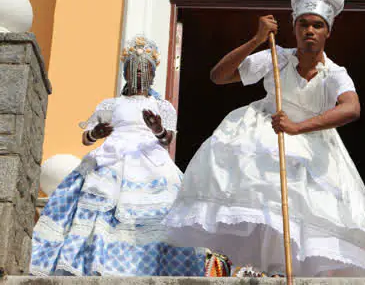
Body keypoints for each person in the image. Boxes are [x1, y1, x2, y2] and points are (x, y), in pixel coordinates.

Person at [163, 0, 365, 277]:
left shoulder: (335, 72)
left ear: (327, 32)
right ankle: (260, 270)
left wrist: (298, 127)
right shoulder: (275, 56)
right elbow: (219, 76)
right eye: (304, 24)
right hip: (262, 135)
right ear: (295, 28)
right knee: (263, 206)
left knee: (307, 218)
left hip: (312, 145)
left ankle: (287, 274)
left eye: (317, 25)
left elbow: (351, 108)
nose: (310, 30)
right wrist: (256, 39)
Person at [30, 36, 230, 276]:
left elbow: (167, 140)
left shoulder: (162, 106)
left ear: (152, 75)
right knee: (100, 207)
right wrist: (96, 132)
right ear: (125, 73)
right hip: (111, 159)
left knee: (166, 204)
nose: (138, 76)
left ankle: (155, 264)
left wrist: (157, 128)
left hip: (151, 161)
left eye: (143, 71)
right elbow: (86, 138)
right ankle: (96, 261)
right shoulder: (111, 104)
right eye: (133, 70)